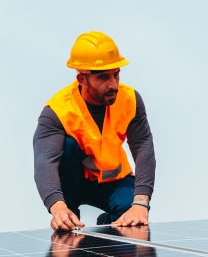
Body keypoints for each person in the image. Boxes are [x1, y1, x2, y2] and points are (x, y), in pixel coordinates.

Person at [33, 31, 156, 231]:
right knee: (67, 146)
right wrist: (57, 207)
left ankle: (105, 222)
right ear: (82, 78)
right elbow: (44, 161)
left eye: (116, 74)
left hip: (113, 180)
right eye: (103, 77)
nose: (113, 84)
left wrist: (141, 203)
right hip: (73, 182)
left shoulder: (130, 99)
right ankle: (70, 217)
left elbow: (143, 146)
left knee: (128, 214)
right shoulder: (57, 110)